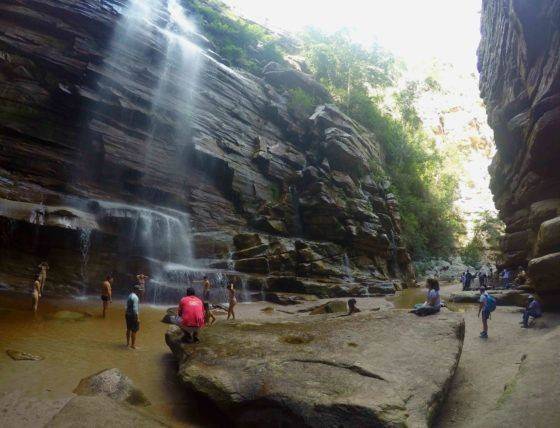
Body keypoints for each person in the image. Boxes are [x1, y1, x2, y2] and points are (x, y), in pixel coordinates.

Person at [125, 285, 141, 349]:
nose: (140, 291)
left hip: (127, 314)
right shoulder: (135, 297)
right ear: (137, 290)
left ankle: (127, 343)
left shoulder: (129, 295)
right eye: (139, 290)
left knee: (128, 329)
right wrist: (137, 318)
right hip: (133, 315)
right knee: (134, 330)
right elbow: (135, 309)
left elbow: (126, 306)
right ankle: (133, 345)